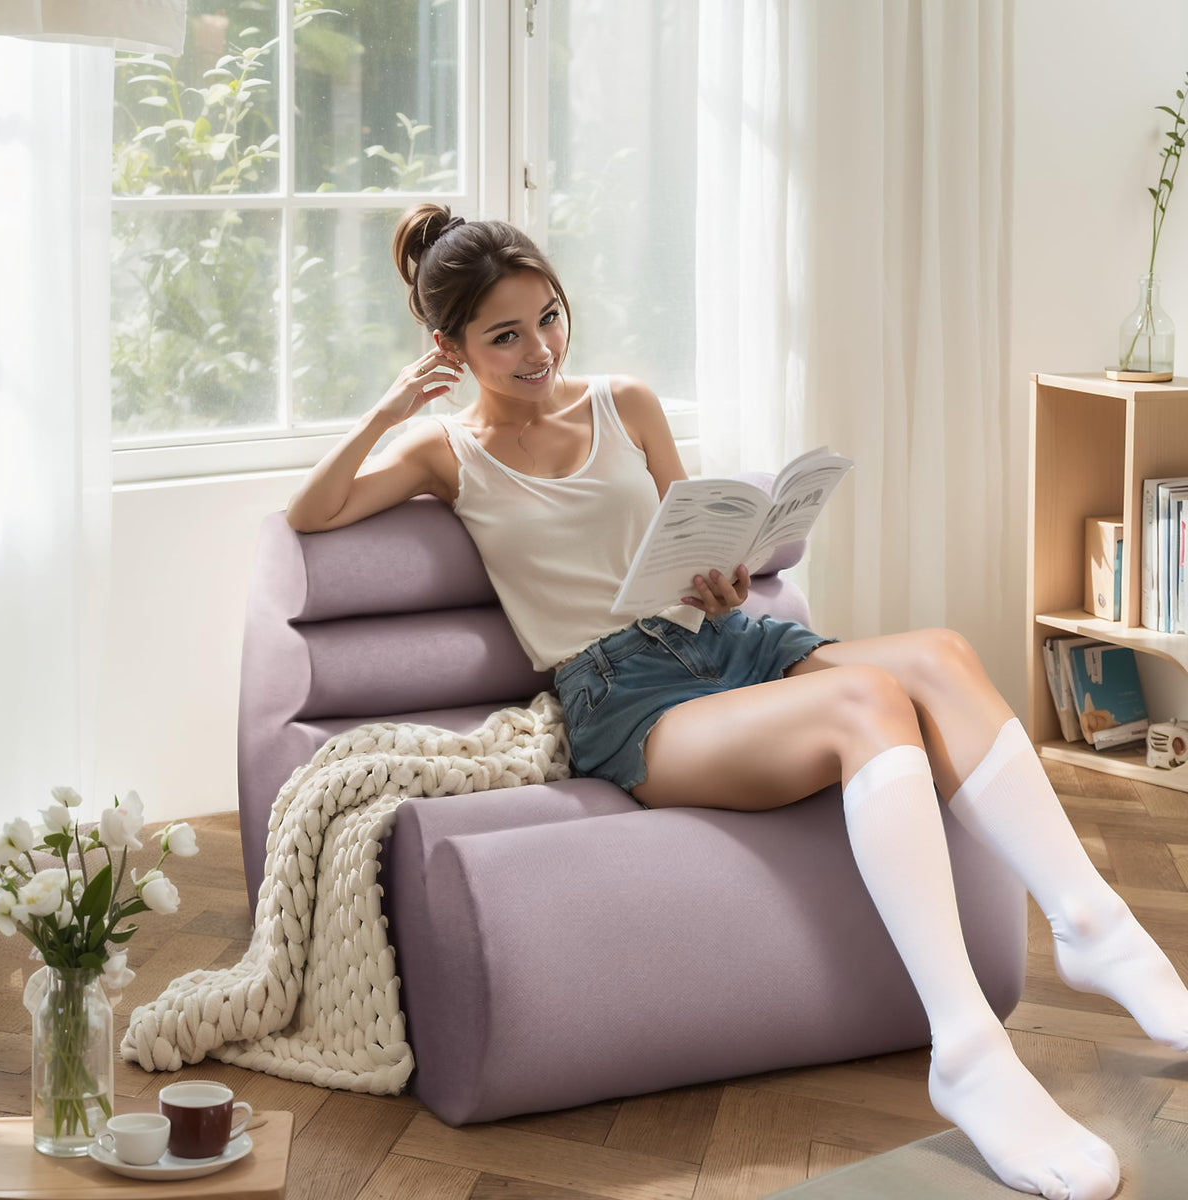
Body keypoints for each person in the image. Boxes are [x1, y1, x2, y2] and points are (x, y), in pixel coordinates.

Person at [287, 204, 1187, 1200]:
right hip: (620, 695)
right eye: (505, 336)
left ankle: (1092, 927)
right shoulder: (446, 455)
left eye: (550, 316)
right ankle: (967, 1048)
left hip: (724, 639)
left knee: (937, 653)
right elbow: (311, 513)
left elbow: (700, 538)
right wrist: (388, 411)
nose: (541, 348)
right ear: (450, 347)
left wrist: (725, 573)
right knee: (867, 707)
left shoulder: (625, 401)